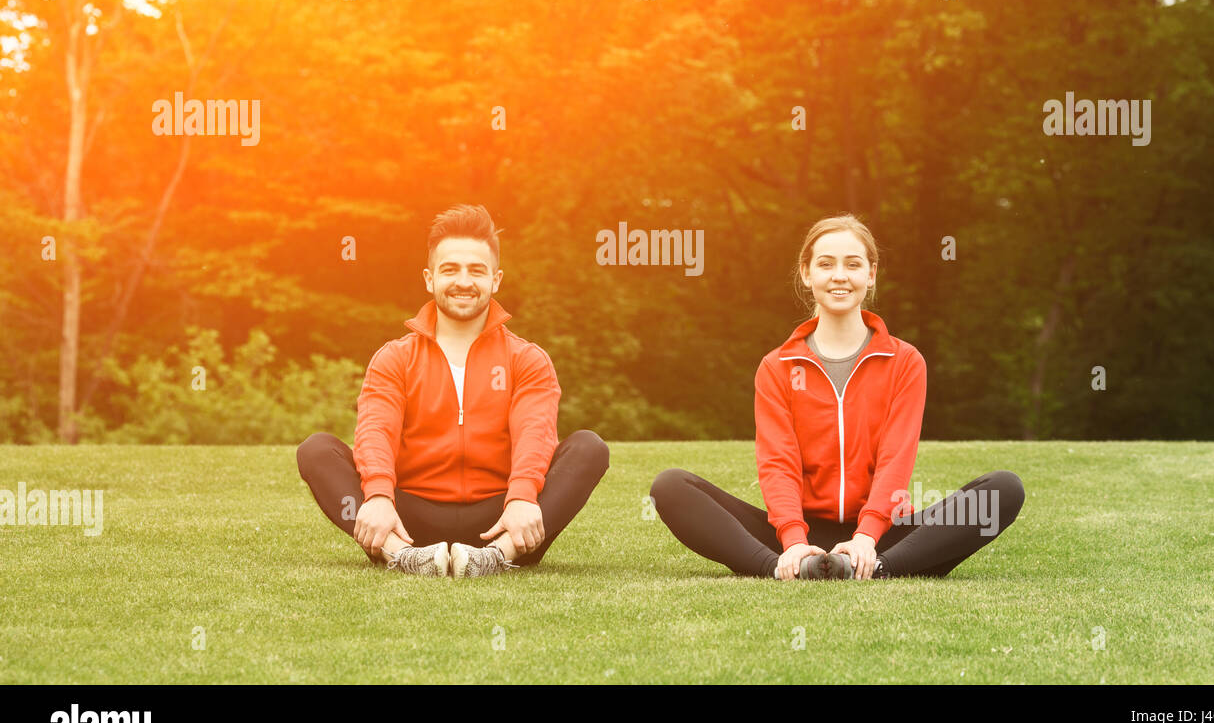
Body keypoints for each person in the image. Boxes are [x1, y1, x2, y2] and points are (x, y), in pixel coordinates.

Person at [650, 214, 1024, 580]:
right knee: (670, 486)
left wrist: (866, 537)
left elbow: (896, 458)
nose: (840, 275)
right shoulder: (776, 366)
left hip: (885, 536)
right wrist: (794, 540)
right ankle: (781, 566)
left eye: (853, 264)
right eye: (826, 264)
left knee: (1003, 489)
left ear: (871, 274)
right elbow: (778, 463)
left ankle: (875, 567)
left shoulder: (905, 361)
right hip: (796, 536)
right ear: (806, 273)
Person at [297, 204, 609, 578]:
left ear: (496, 280)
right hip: (408, 522)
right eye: (450, 270)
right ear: (429, 279)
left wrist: (523, 496)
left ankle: (493, 559)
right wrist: (379, 495)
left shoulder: (527, 359)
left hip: (502, 521)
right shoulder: (394, 357)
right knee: (316, 449)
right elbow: (376, 430)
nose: (464, 281)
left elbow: (535, 434)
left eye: (477, 270)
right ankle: (403, 556)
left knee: (589, 447)